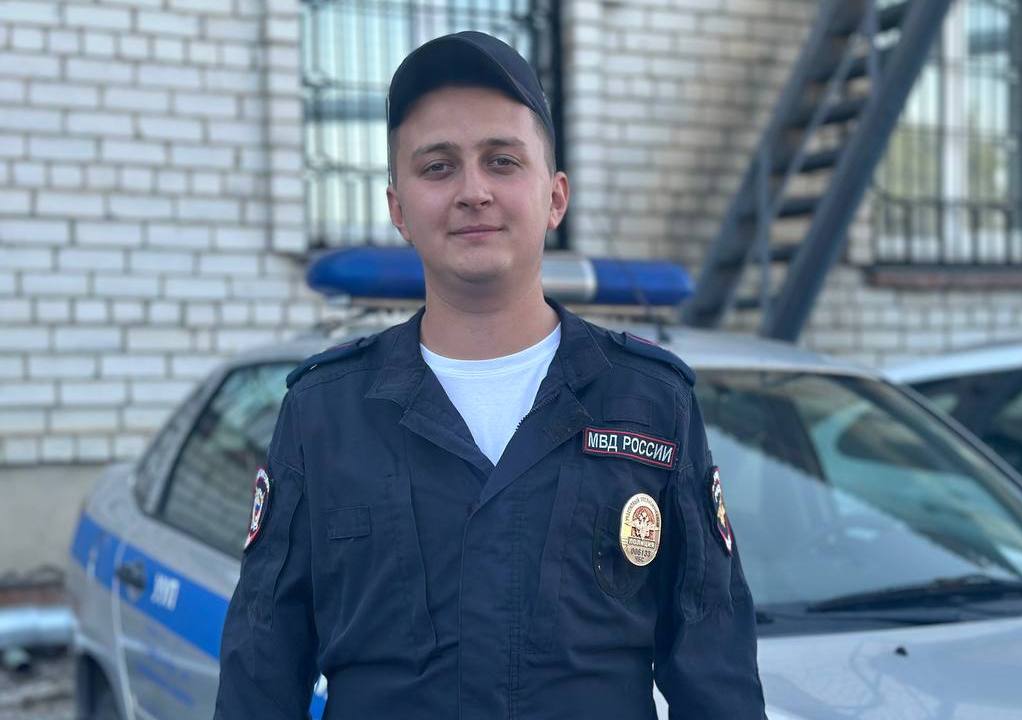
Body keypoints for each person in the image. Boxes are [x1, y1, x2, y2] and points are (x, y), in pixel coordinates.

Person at [214, 30, 766, 719]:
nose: (473, 191)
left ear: (555, 197)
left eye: (502, 161)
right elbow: (260, 674)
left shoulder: (652, 401)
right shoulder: (324, 412)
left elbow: (716, 673)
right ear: (398, 209)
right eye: (438, 167)